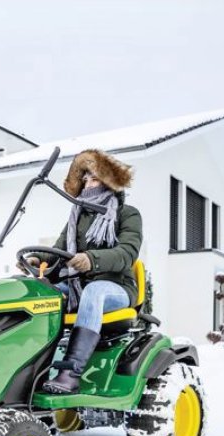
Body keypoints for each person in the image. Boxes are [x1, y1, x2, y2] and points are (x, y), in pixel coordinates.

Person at [20, 149, 142, 394]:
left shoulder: (126, 214)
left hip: (116, 288)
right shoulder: (76, 217)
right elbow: (58, 250)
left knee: (94, 291)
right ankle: (30, 368)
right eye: (84, 179)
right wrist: (37, 260)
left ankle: (70, 372)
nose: (87, 183)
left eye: (94, 178)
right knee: (41, 294)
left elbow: (127, 253)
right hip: (78, 285)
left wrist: (91, 259)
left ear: (109, 182)